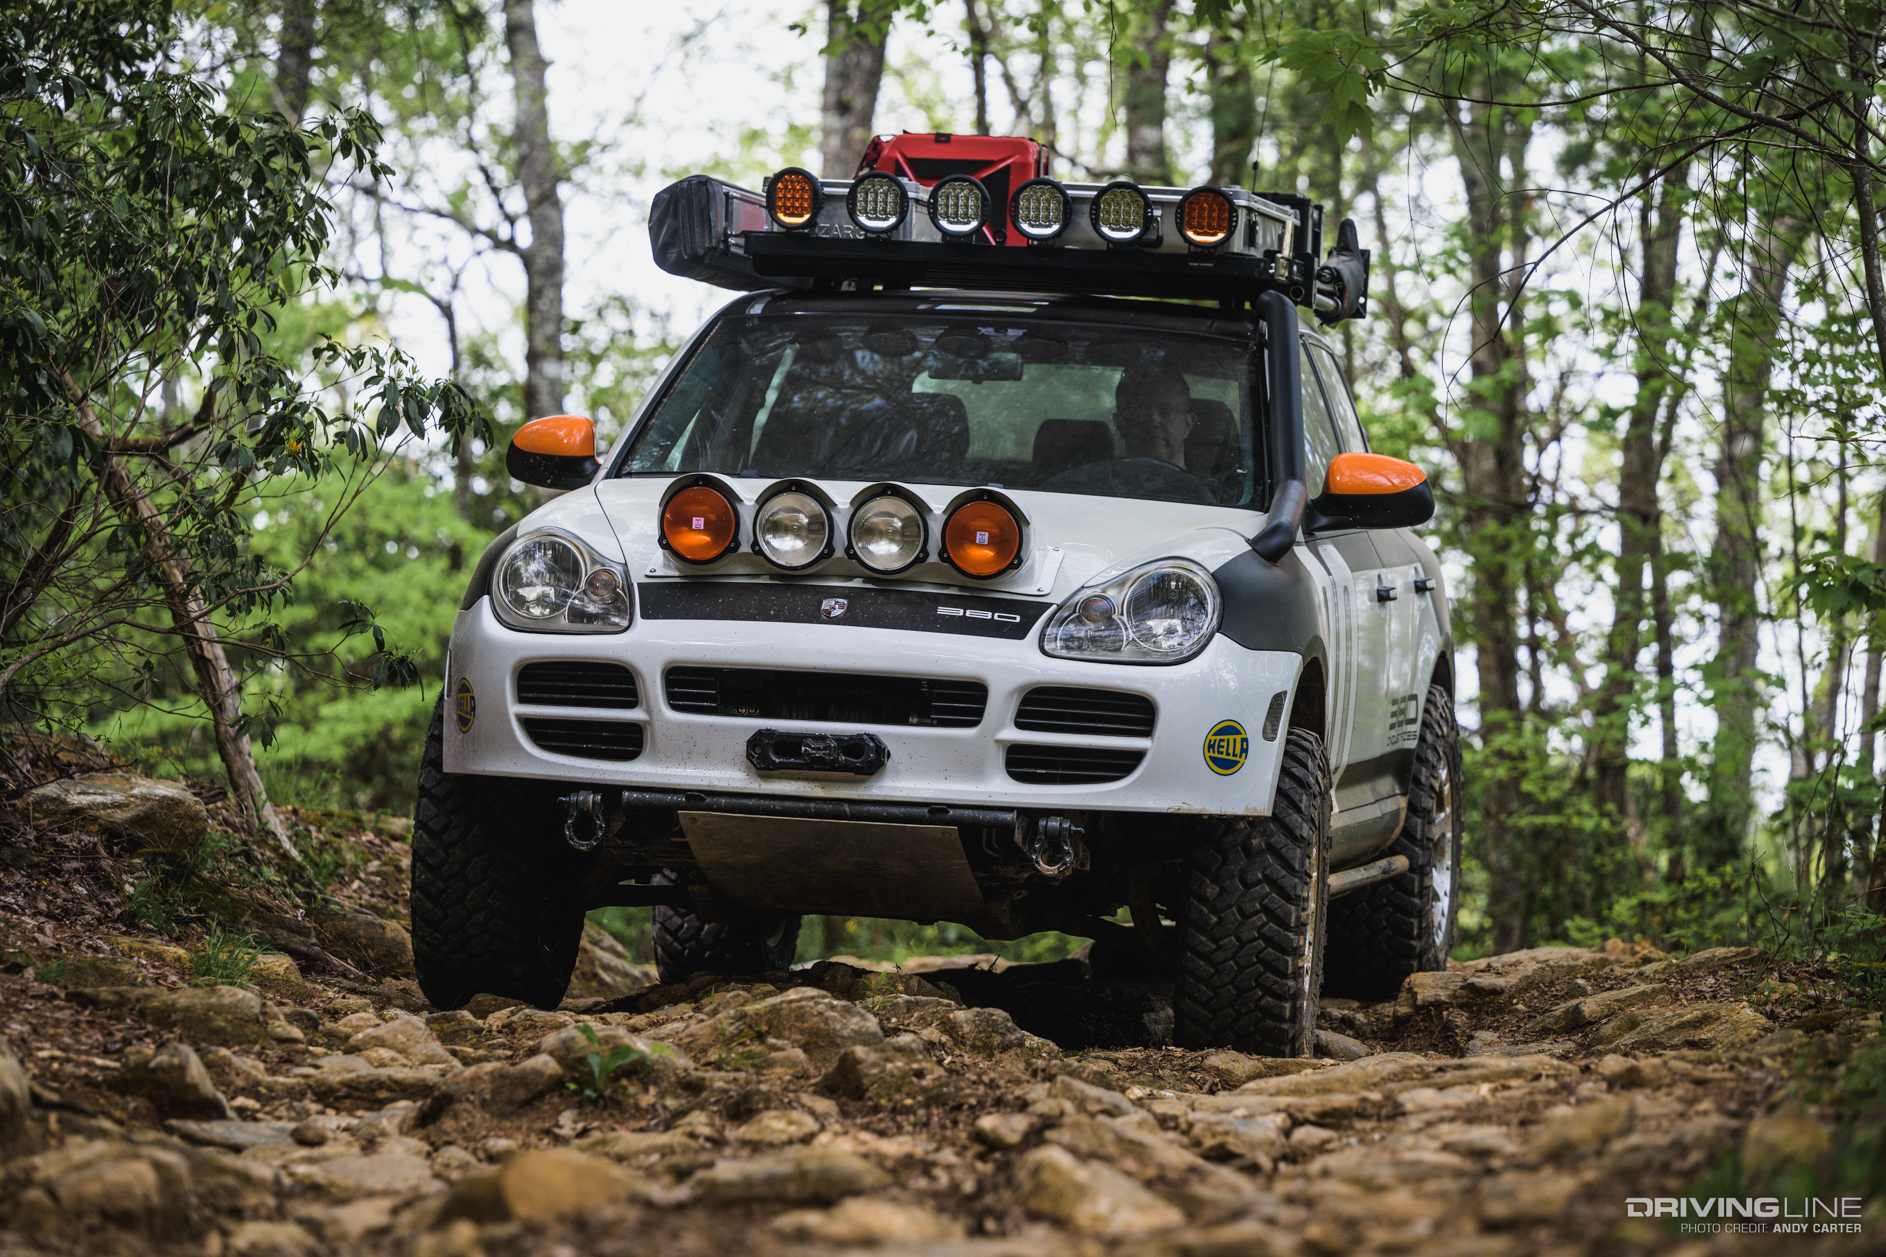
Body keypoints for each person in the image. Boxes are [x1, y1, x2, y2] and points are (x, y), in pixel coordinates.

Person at [1113, 366, 1195, 470]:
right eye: (1140, 411)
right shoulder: (1094, 482)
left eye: (1166, 411)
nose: (1153, 422)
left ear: (1188, 424)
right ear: (1120, 424)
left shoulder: (1209, 485)